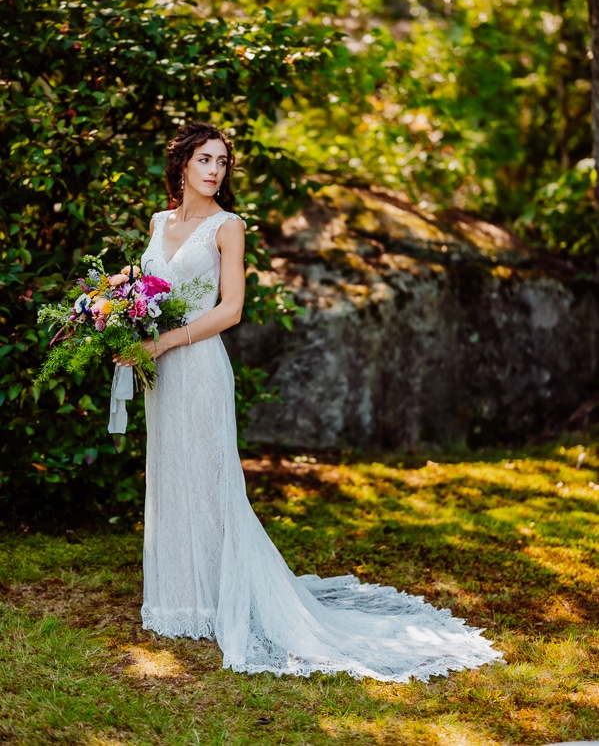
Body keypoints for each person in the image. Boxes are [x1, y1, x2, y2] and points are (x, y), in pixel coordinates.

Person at [130, 120, 501, 681]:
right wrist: (113, 316)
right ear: (181, 163)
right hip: (159, 370)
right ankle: (180, 598)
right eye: (204, 159)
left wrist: (166, 341)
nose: (214, 170)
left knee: (210, 477)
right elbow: (145, 287)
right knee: (171, 473)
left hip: (198, 363)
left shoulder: (229, 227)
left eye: (222, 162)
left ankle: (220, 599)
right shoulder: (159, 221)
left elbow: (230, 310)